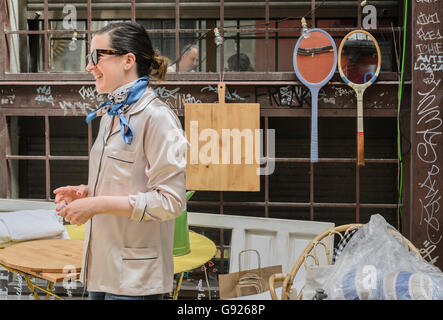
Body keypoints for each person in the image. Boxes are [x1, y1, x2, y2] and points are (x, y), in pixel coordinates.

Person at [53, 22, 188, 300]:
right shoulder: (112, 113)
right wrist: (86, 194)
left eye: (96, 57)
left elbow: (171, 201)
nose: (90, 66)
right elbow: (128, 181)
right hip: (101, 268)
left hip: (134, 281)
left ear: (128, 60)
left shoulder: (158, 117)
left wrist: (97, 204)